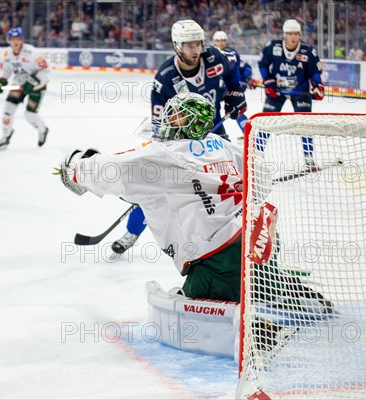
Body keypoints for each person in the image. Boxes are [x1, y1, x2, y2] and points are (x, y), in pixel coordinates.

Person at [57, 93, 333, 312]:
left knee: (201, 298)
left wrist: (73, 170)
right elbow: (262, 177)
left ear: (188, 121)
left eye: (175, 115)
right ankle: (279, 285)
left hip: (220, 258)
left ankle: (267, 307)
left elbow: (109, 168)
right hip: (261, 239)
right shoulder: (222, 144)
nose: (168, 119)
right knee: (256, 280)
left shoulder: (164, 156)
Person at [111, 19, 247, 255]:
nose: (195, 50)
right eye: (188, 45)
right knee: (158, 188)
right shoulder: (165, 78)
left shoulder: (214, 57)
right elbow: (157, 122)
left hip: (215, 132)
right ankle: (132, 233)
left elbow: (234, 66)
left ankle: (235, 232)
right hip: (182, 141)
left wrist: (234, 93)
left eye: (197, 44)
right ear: (176, 46)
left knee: (230, 183)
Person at [258, 19, 324, 168]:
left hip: (300, 91)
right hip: (277, 91)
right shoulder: (272, 47)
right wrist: (268, 82)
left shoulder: (308, 51)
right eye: (290, 34)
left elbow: (315, 72)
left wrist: (318, 86)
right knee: (266, 122)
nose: (293, 37)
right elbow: (262, 64)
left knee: (305, 125)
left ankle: (309, 157)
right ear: (284, 35)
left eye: (296, 34)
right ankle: (257, 154)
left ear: (300, 35)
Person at [0, 27, 49, 149]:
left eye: (17, 39)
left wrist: (34, 83)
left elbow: (46, 70)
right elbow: (5, 72)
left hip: (37, 87)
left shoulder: (32, 52)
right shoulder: (6, 54)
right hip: (18, 85)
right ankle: (5, 136)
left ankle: (42, 129)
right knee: (8, 109)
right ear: (8, 40)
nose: (15, 42)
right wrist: (0, 82)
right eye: (12, 39)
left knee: (29, 115)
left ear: (22, 39)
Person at [212, 30, 258, 132]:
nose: (221, 43)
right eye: (218, 40)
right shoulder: (210, 54)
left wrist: (248, 78)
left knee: (236, 110)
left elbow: (245, 66)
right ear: (214, 41)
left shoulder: (231, 53)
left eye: (223, 40)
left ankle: (248, 132)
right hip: (217, 90)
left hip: (230, 88)